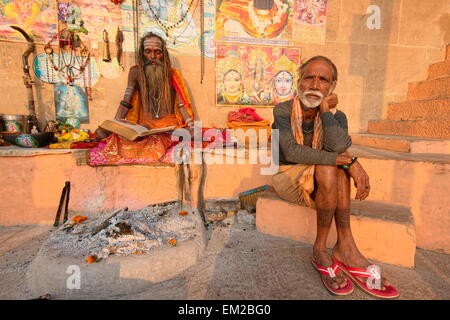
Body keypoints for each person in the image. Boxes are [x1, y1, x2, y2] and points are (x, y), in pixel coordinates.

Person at [271, 55, 399, 298]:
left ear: (332, 87)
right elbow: (290, 151)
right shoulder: (283, 110)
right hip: (288, 176)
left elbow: (338, 145)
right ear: (299, 82)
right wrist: (350, 162)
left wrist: (325, 112)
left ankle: (344, 246)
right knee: (334, 164)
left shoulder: (337, 116)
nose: (315, 84)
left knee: (333, 166)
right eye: (309, 77)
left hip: (321, 180)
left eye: (323, 79)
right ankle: (322, 248)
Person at [91, 32, 201, 209]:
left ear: (163, 53)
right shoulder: (135, 72)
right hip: (144, 128)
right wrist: (115, 125)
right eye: (148, 51)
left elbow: (181, 105)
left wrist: (190, 125)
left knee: (164, 141)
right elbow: (126, 101)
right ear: (142, 53)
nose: (153, 57)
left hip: (168, 129)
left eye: (157, 52)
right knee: (104, 135)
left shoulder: (172, 74)